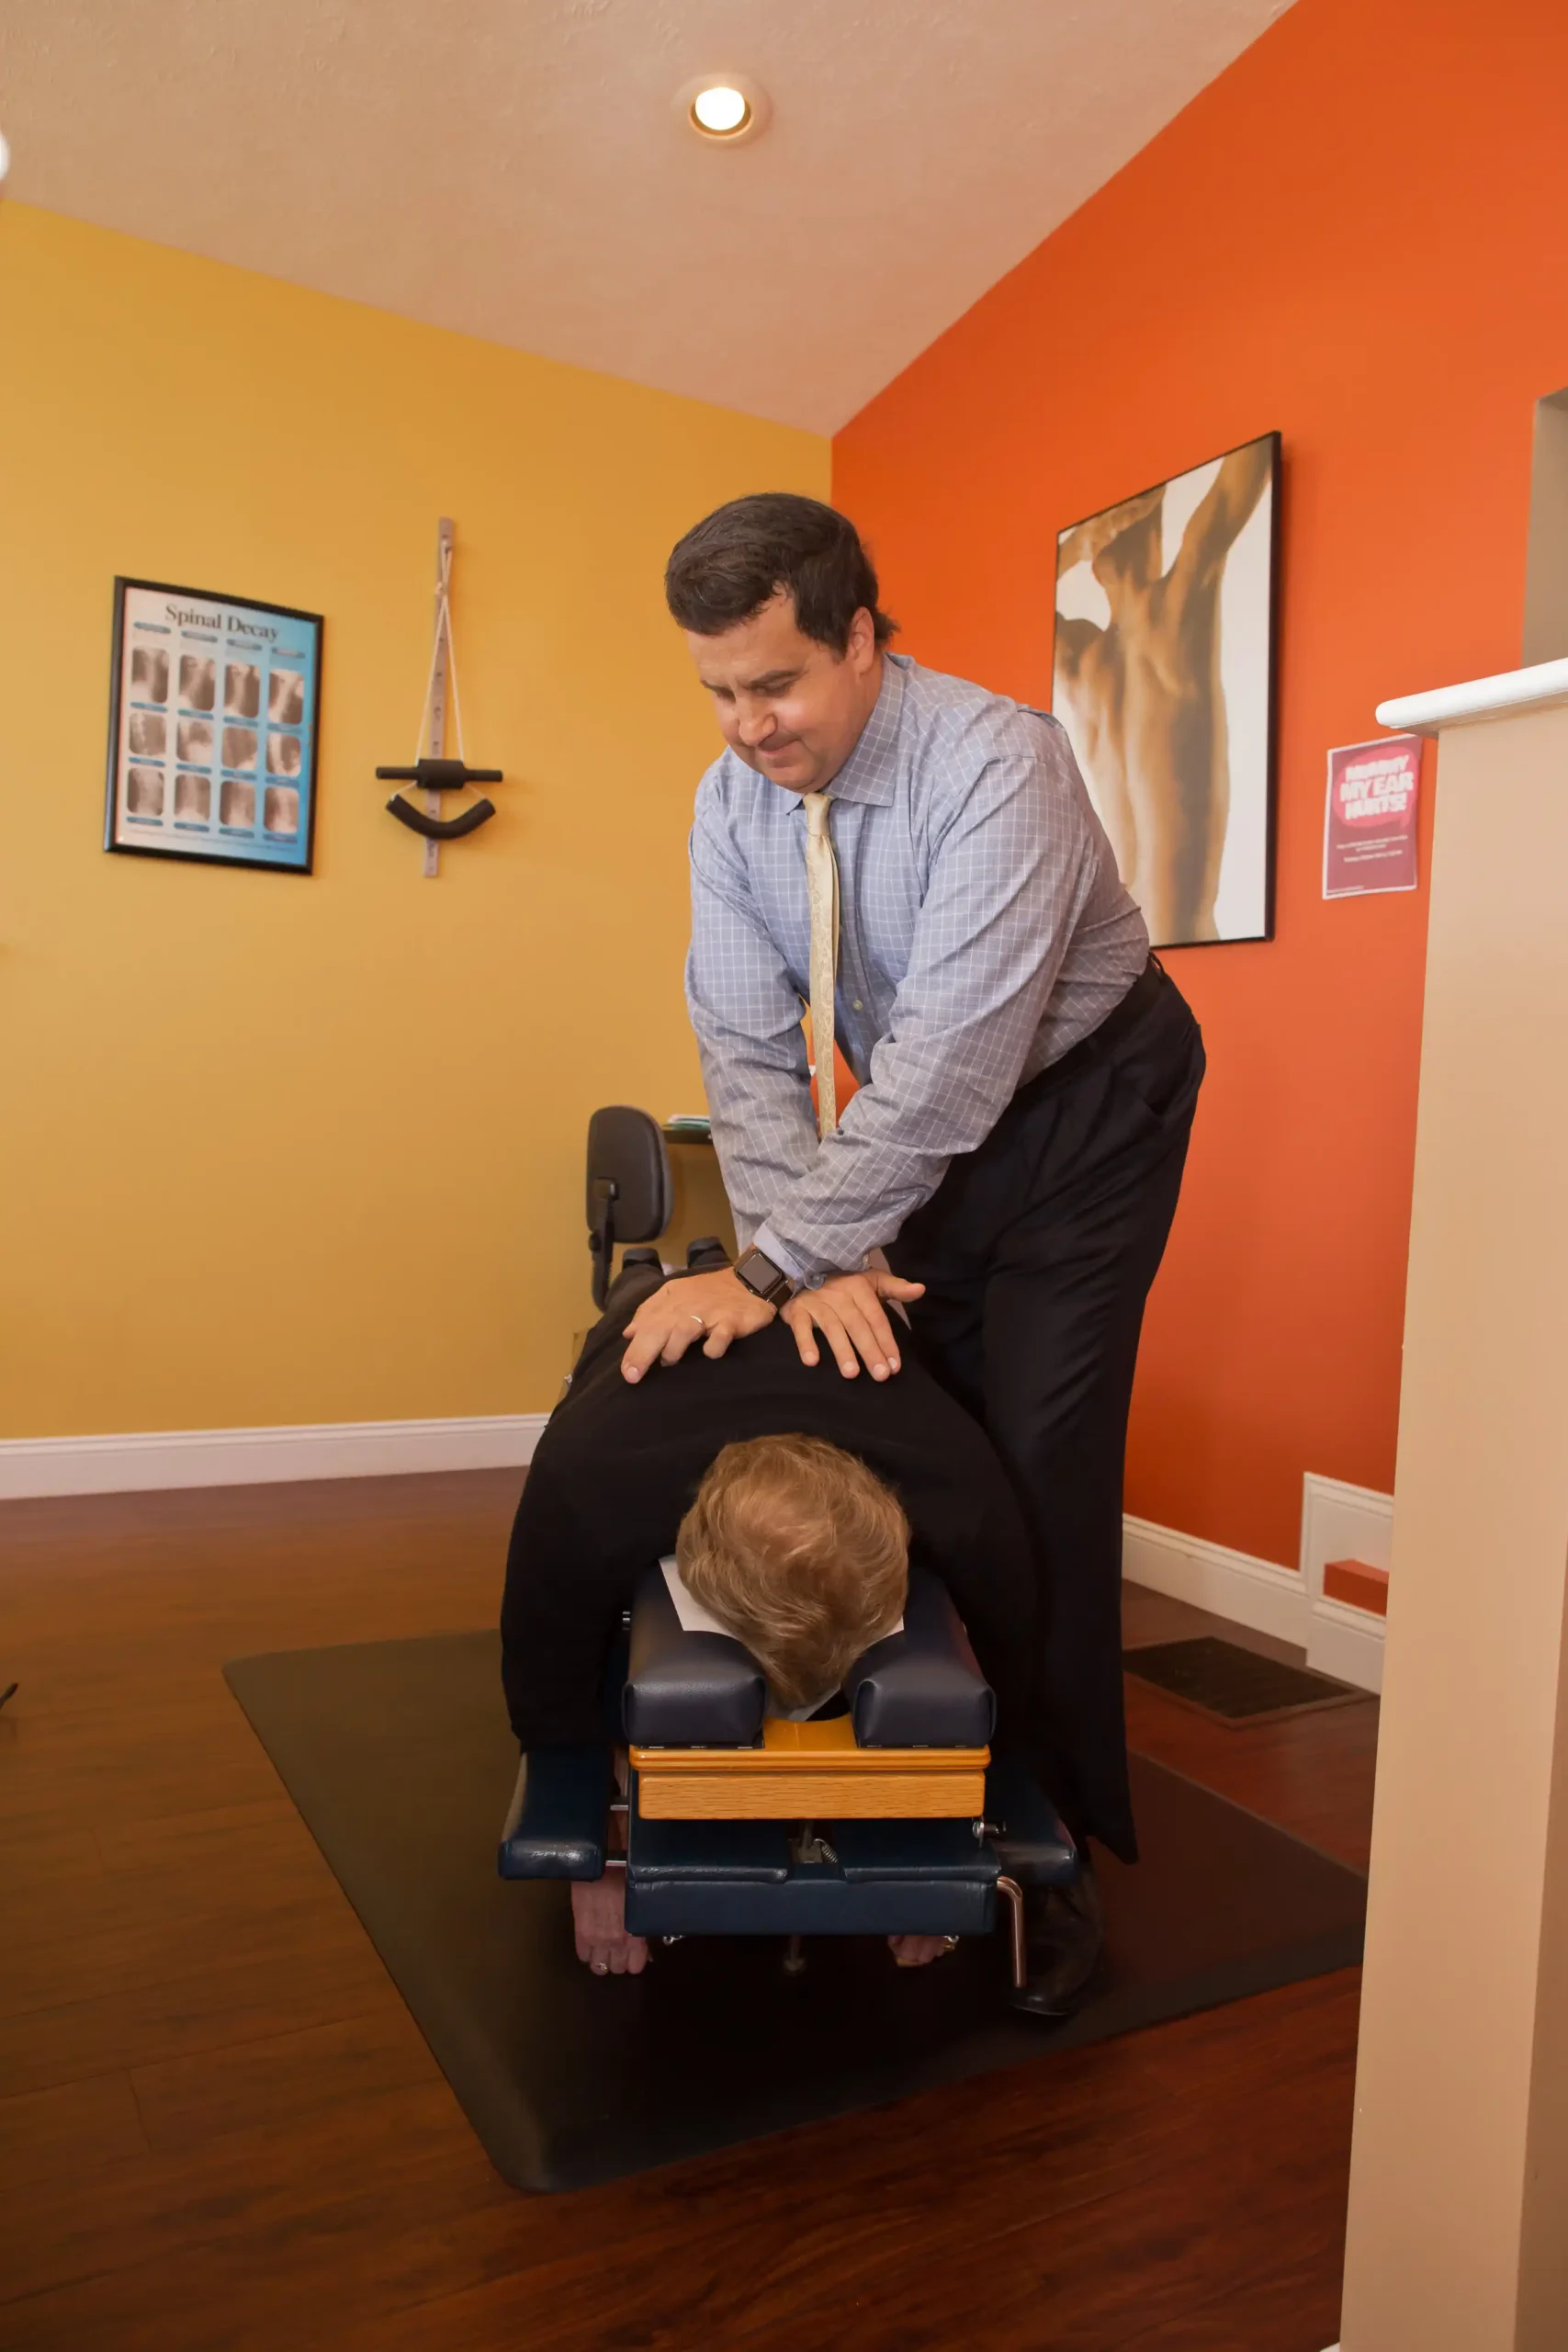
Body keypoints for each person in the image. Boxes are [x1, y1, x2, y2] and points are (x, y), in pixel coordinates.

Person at [615, 493, 1206, 2015]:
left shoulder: (995, 760)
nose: (746, 725)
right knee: (900, 1422)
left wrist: (769, 1267)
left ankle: (1046, 1849)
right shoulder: (729, 803)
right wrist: (804, 1261)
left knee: (1036, 1452)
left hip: (1086, 1106)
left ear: (863, 639)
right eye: (719, 691)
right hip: (928, 1124)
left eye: (776, 684)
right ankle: (903, 1780)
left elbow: (948, 1060)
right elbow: (744, 1050)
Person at [502, 1255, 1041, 1980]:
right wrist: (597, 1863)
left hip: (847, 1355)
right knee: (643, 1291)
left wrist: (934, 1857)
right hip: (661, 1332)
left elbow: (1008, 1682)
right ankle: (670, 1267)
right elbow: (547, 1690)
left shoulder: (964, 1492)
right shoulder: (585, 1480)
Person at [1054, 441, 1272, 944]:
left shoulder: (1175, 604)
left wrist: (1078, 546)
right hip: (1120, 949)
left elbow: (1248, 470)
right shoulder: (1085, 654)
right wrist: (1078, 542)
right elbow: (1005, 621)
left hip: (1166, 935)